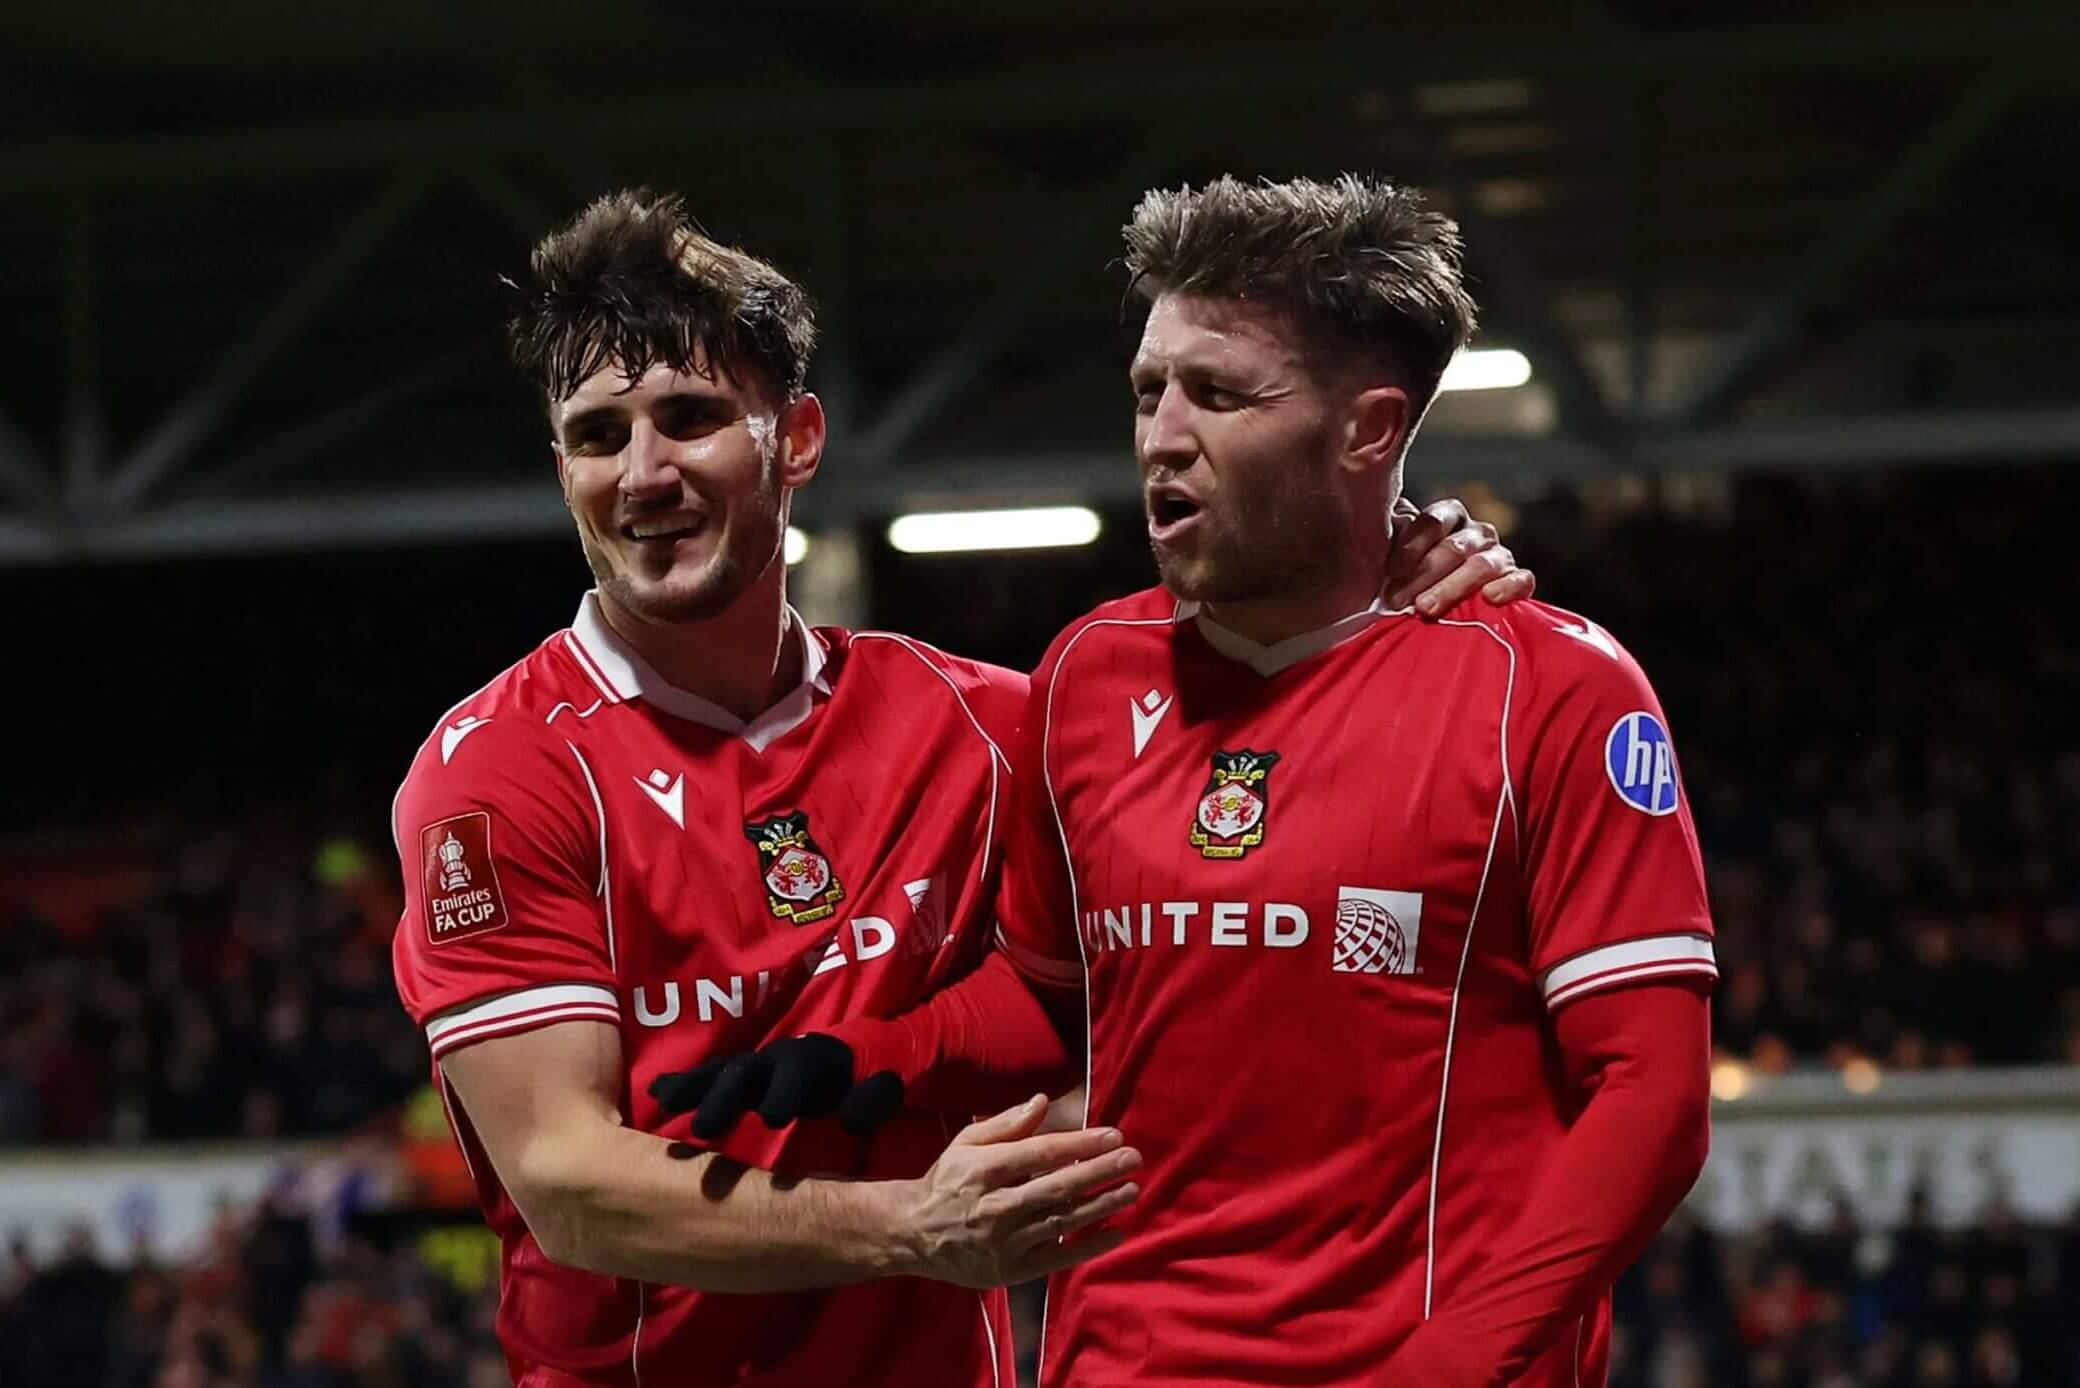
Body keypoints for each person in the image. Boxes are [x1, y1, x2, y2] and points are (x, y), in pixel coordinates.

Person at [388, 188, 1531, 1386]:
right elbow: (566, 1180)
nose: (643, 473)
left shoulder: (981, 724)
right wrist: (912, 1224)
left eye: (689, 417)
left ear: (797, 439)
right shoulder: (499, 773)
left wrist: (1389, 552)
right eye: (596, 436)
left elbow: (1256, 758)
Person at [681, 175, 1717, 1388]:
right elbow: (1051, 995)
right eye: (1148, 390)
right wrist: (874, 1053)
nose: (1161, 436)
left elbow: (1650, 1097)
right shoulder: (1083, 674)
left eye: (1217, 394)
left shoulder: (1551, 689)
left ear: (1368, 430)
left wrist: (1450, 1365)